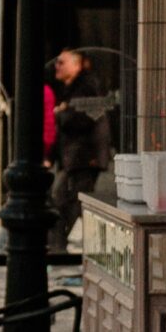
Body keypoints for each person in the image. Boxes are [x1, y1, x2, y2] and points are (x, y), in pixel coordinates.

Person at [48, 47, 112, 253]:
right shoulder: (73, 88)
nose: (57, 66)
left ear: (76, 65)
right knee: (66, 199)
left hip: (83, 158)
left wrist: (61, 113)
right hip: (75, 157)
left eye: (61, 62)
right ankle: (61, 245)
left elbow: (82, 118)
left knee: (65, 199)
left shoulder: (85, 86)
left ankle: (60, 247)